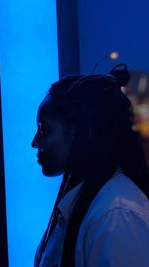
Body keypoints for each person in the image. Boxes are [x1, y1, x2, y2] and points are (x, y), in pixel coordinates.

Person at [31, 64, 149, 267]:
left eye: (44, 129)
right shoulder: (97, 203)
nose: (34, 142)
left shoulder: (117, 217)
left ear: (81, 131)